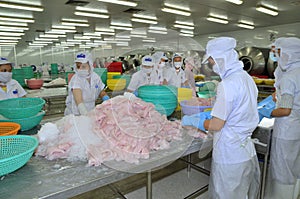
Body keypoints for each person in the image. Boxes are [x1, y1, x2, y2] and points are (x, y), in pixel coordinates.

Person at [182, 37, 260, 199]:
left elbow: (216, 125)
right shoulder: (247, 78)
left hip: (229, 153)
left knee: (225, 194)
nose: (211, 65)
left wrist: (195, 121)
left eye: (211, 60)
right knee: (240, 194)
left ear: (221, 59)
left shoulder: (227, 84)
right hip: (245, 151)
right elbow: (237, 111)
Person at [259, 37, 300, 199]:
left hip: (286, 130)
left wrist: (264, 112)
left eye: (278, 52)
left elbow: (285, 110)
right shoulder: (297, 72)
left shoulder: (289, 77)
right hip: (296, 127)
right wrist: (273, 99)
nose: (276, 55)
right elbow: (285, 97)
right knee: (294, 166)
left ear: (288, 54)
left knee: (282, 170)